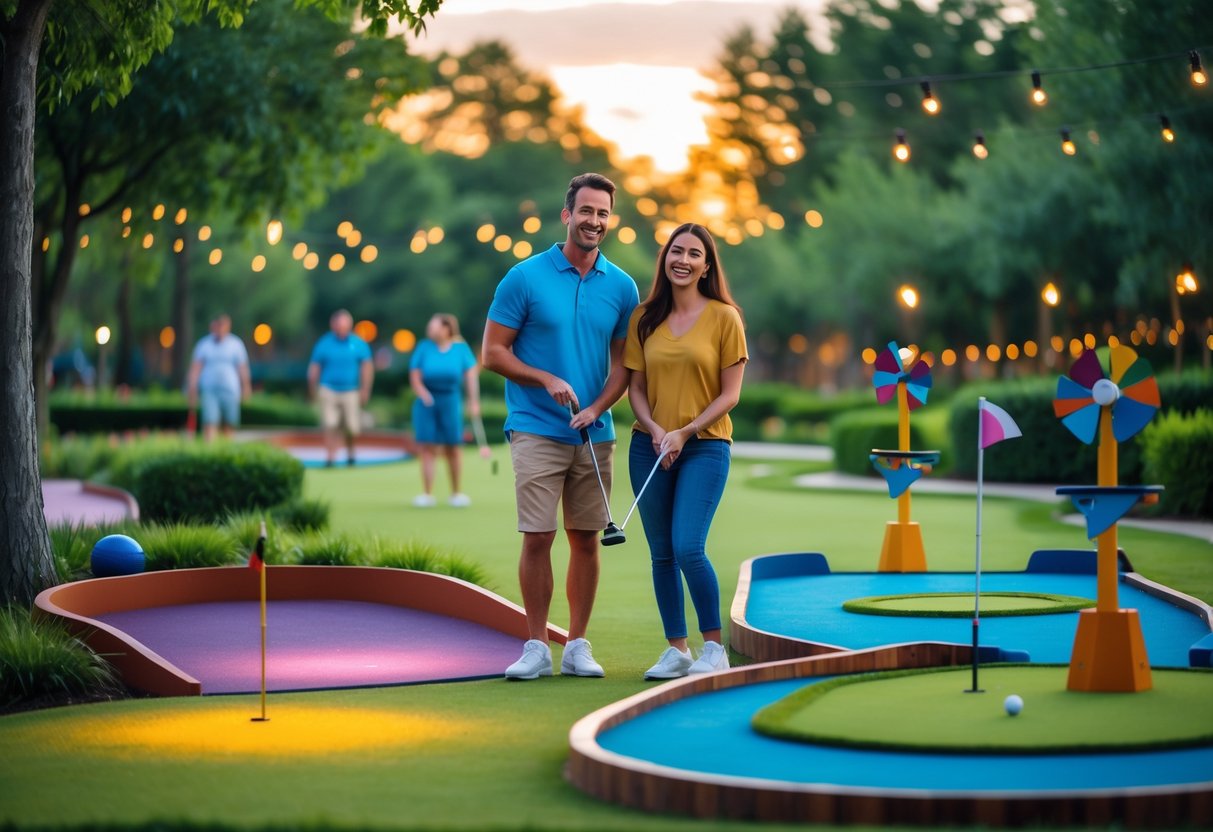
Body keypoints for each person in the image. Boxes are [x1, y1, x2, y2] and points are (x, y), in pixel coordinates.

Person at [483, 172, 639, 681]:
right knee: (537, 537)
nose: (594, 220)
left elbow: (624, 366)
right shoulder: (524, 277)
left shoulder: (622, 286)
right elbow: (493, 353)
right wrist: (545, 378)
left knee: (587, 540)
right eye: (586, 211)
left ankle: (576, 646)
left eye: (603, 213)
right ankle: (535, 645)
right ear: (566, 215)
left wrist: (598, 408)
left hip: (595, 434)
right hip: (535, 426)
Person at [623, 223, 747, 680]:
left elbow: (730, 394)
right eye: (677, 251)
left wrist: (685, 432)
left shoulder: (725, 317)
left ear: (707, 266)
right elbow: (636, 388)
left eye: (695, 254)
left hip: (705, 446)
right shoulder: (644, 317)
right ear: (665, 258)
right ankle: (677, 650)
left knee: (688, 546)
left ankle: (714, 649)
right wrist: (658, 431)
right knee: (661, 553)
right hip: (649, 446)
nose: (684, 260)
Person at [409, 313, 482, 507]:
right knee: (427, 446)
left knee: (453, 446)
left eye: (434, 326)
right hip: (426, 402)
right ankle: (427, 494)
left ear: (446, 328)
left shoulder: (460, 348)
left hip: (450, 400)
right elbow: (415, 376)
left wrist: (473, 401)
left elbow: (470, 376)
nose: (430, 329)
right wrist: (423, 393)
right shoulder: (424, 347)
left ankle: (456, 493)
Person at [307, 309, 373, 467]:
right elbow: (314, 367)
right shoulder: (324, 343)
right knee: (330, 424)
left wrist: (365, 389)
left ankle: (351, 454)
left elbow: (367, 367)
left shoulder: (358, 344)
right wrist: (312, 389)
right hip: (328, 389)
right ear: (333, 325)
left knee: (351, 426)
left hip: (351, 390)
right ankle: (331, 457)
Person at [186, 314, 251, 442]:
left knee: (230, 423)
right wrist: (192, 387)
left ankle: (227, 449)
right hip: (210, 390)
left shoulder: (236, 344)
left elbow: (242, 368)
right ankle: (210, 449)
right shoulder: (204, 345)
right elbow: (196, 368)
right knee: (210, 421)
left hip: (230, 390)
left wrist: (246, 387)